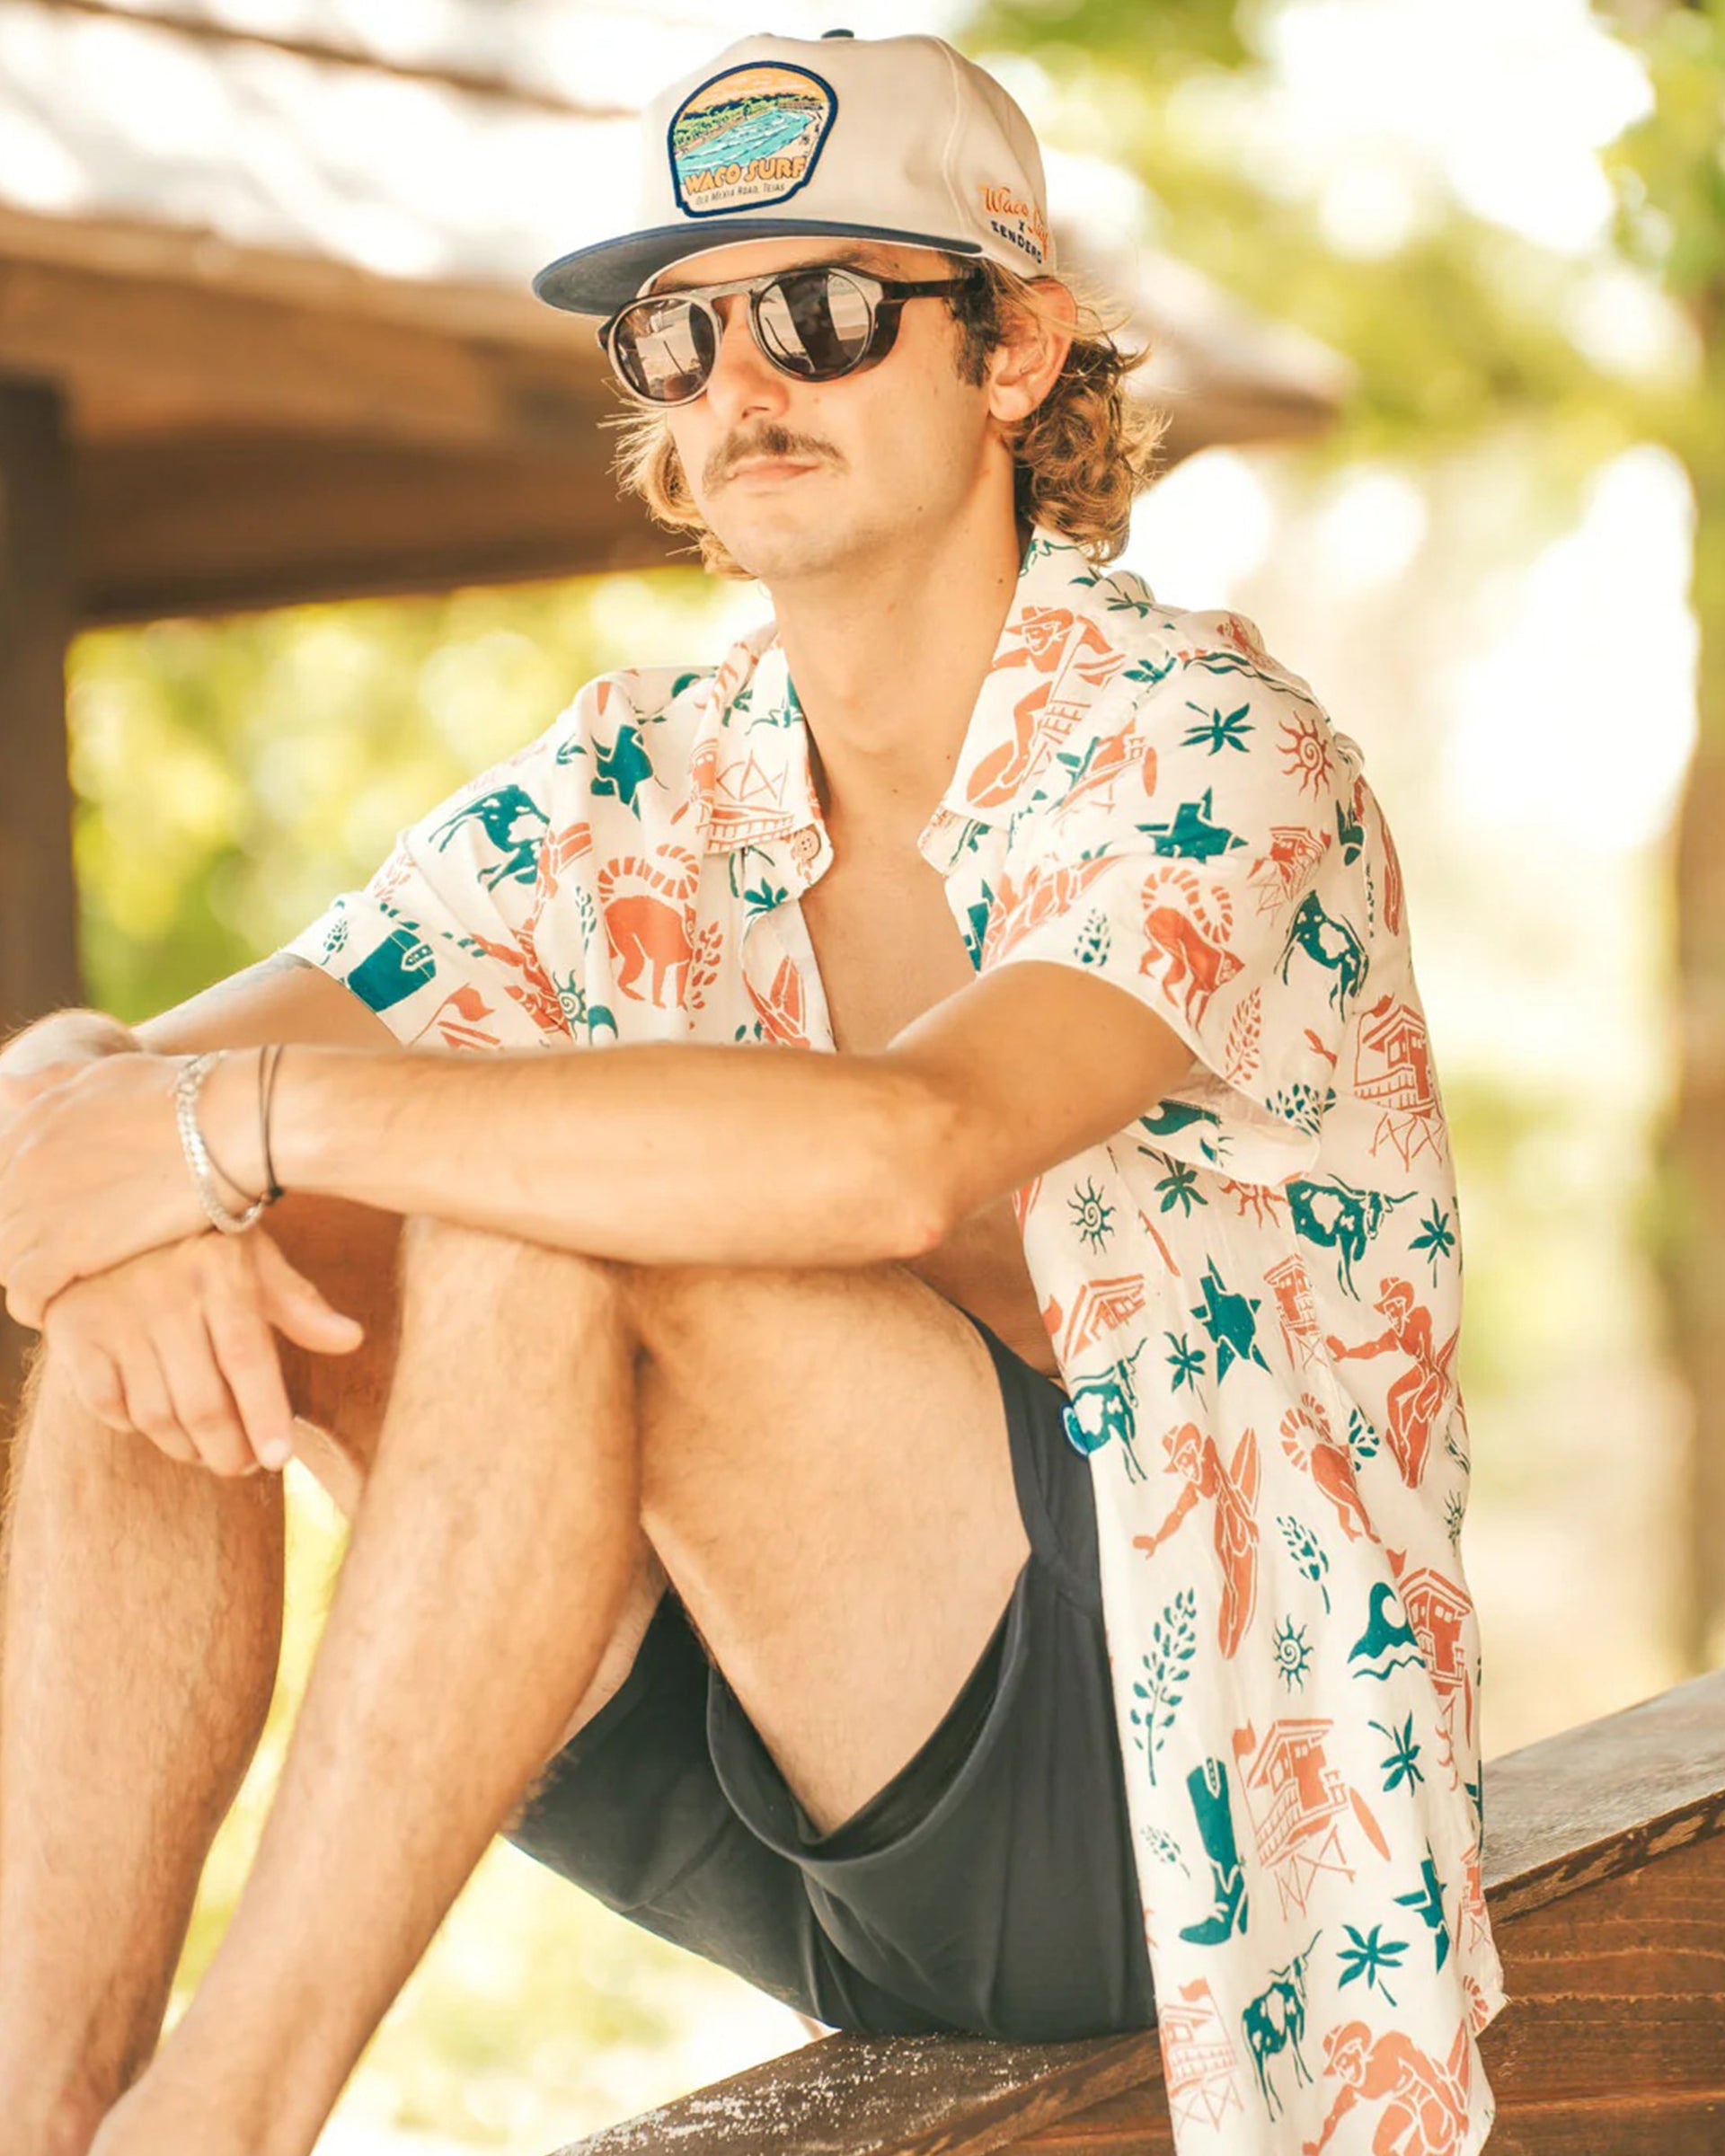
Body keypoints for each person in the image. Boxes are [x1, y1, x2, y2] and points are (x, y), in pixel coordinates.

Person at [0, 29, 1505, 2156]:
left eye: (821, 312)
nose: (740, 383)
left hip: (1189, 1802)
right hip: (766, 1763)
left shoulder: (1202, 745)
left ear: (1013, 350)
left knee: (528, 1226)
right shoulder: (640, 776)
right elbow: (85, 1124)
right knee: (144, 1257)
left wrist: (236, 1130)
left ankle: (217, 2125)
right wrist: (102, 1112)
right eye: (678, 334)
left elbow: (912, 1156)